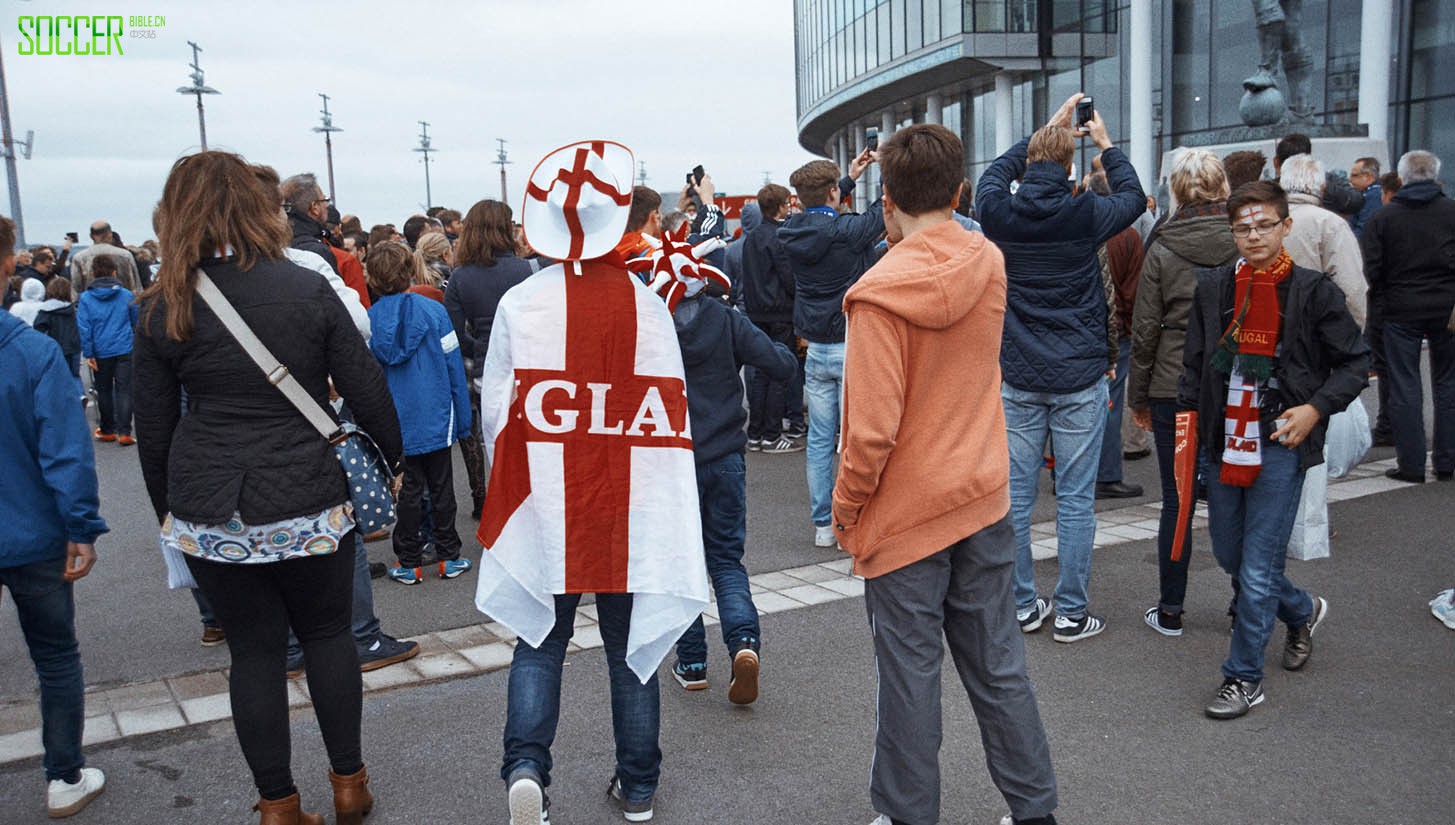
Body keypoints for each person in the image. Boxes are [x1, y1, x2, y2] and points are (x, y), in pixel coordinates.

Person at [133, 150, 405, 824]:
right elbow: (368, 391)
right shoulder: (306, 287)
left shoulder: (163, 302)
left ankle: (278, 803)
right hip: (309, 492)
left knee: (253, 653)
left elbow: (155, 429)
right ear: (263, 209)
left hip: (211, 504)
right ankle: (350, 783)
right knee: (327, 634)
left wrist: (171, 511)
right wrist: (388, 462)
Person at [475, 140, 708, 825]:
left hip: (546, 503)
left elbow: (496, 414)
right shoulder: (649, 307)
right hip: (630, 507)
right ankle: (637, 787)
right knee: (627, 654)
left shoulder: (521, 303)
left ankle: (526, 768)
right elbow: (669, 416)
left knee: (539, 641)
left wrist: (505, 497)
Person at [833, 124, 1058, 825]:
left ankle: (906, 815)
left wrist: (845, 510)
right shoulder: (986, 260)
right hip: (982, 492)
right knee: (998, 666)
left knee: (908, 679)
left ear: (886, 198)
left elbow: (870, 430)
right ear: (960, 190)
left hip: (906, 515)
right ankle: (1034, 811)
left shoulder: (875, 295)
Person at [1179, 180, 1368, 719]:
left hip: (1281, 443)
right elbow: (1193, 364)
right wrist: (1188, 443)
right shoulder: (1215, 287)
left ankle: (1242, 679)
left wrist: (1314, 409)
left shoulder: (1313, 291)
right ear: (1232, 232)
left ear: (1286, 227)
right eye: (1243, 227)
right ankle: (1302, 608)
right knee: (1230, 557)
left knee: (1257, 570)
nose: (1254, 236)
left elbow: (1355, 362)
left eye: (1264, 225)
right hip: (1222, 441)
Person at [975, 92, 1145, 642]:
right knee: (1075, 499)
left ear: (1030, 164)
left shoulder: (999, 214)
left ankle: (1024, 605)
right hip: (1078, 374)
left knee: (1016, 499)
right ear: (1071, 166)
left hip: (1020, 374)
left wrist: (1040, 136)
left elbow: (993, 176)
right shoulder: (1086, 213)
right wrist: (1105, 142)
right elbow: (1135, 197)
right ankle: (1071, 611)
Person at [644, 229, 797, 703]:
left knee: (681, 565)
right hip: (726, 454)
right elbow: (780, 366)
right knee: (726, 561)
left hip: (671, 463)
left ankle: (691, 664)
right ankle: (744, 644)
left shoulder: (650, 326)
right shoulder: (726, 319)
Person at [0, 214, 109, 819]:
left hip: (31, 529)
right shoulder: (34, 354)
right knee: (54, 656)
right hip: (34, 531)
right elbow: (65, 451)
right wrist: (81, 525)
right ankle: (63, 774)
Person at [1130, 149, 1239, 636]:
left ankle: (1171, 608)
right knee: (1237, 493)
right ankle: (1246, 602)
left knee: (1177, 499)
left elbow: (1146, 328)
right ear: (1222, 188)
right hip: (1237, 382)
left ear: (1176, 190)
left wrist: (1138, 397)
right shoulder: (1245, 241)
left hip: (1174, 384)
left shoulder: (1163, 245)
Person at [779, 147, 881, 547]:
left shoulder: (791, 231)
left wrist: (849, 177)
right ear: (833, 195)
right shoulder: (847, 232)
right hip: (851, 344)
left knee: (820, 440)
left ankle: (824, 525)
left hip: (816, 349)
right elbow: (883, 206)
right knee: (857, 438)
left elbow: (819, 207)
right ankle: (853, 520)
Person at [365, 241, 473, 584]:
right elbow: (454, 367)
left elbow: (368, 378)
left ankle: (409, 559)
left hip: (395, 420)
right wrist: (463, 416)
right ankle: (448, 555)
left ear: (374, 279)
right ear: (410, 271)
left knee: (408, 490)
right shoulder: (434, 312)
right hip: (437, 413)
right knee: (442, 488)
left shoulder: (370, 321)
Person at [1360, 150, 1455, 484]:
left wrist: (1382, 305)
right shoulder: (1451, 211)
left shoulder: (1383, 219)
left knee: (1404, 384)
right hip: (1447, 307)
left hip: (1400, 308)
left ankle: (1412, 464)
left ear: (1400, 179)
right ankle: (1446, 461)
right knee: (1448, 382)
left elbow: (1371, 270)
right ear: (1435, 176)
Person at [443, 199, 534, 519]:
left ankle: (507, 517)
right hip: (530, 369)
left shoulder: (459, 277)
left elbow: (453, 335)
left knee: (497, 447)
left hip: (488, 374)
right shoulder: (528, 270)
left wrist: (483, 347)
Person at [1086, 171, 1146, 500]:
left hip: (1080, 330)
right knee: (1109, 403)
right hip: (1116, 330)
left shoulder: (1076, 228)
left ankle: (1064, 469)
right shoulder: (1127, 235)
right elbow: (1132, 291)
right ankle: (1107, 473)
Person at [740, 183, 803, 454]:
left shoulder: (751, 237)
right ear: (780, 206)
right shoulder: (782, 236)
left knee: (760, 375)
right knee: (778, 372)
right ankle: (773, 434)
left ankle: (755, 433)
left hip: (755, 312)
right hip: (780, 312)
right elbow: (788, 277)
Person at [77, 255, 138, 446]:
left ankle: (107, 429)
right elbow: (135, 320)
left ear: (93, 274)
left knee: (103, 390)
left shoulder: (86, 298)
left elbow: (84, 328)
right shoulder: (126, 295)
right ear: (114, 272)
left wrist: (88, 352)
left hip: (100, 349)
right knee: (124, 389)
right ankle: (125, 431)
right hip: (124, 346)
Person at [282, 173, 341, 275]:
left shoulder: (275, 246)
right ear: (314, 207)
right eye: (324, 200)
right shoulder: (319, 253)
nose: (327, 206)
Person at [33, 277, 83, 391]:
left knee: (59, 376)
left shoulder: (46, 310)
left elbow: (38, 328)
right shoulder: (72, 309)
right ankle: (79, 394)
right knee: (74, 375)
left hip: (56, 346)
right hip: (74, 346)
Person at [68, 221, 141, 293]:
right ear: (110, 235)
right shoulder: (125, 255)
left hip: (90, 302)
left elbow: (76, 288)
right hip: (122, 301)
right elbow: (136, 285)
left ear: (91, 236)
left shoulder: (79, 258)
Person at [1348, 156, 1383, 236]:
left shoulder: (1373, 196)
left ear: (1368, 176)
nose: (1349, 179)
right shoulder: (1373, 193)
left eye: (1354, 175)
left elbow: (1364, 230)